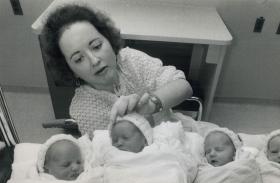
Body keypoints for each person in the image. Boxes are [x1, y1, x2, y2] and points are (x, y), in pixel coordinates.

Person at [42, 4, 193, 137]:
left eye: (96, 46)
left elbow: (184, 87)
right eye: (78, 59)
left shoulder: (131, 60)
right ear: (70, 70)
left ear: (109, 40)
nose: (94, 61)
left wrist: (150, 105)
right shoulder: (84, 110)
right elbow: (114, 155)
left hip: (176, 135)